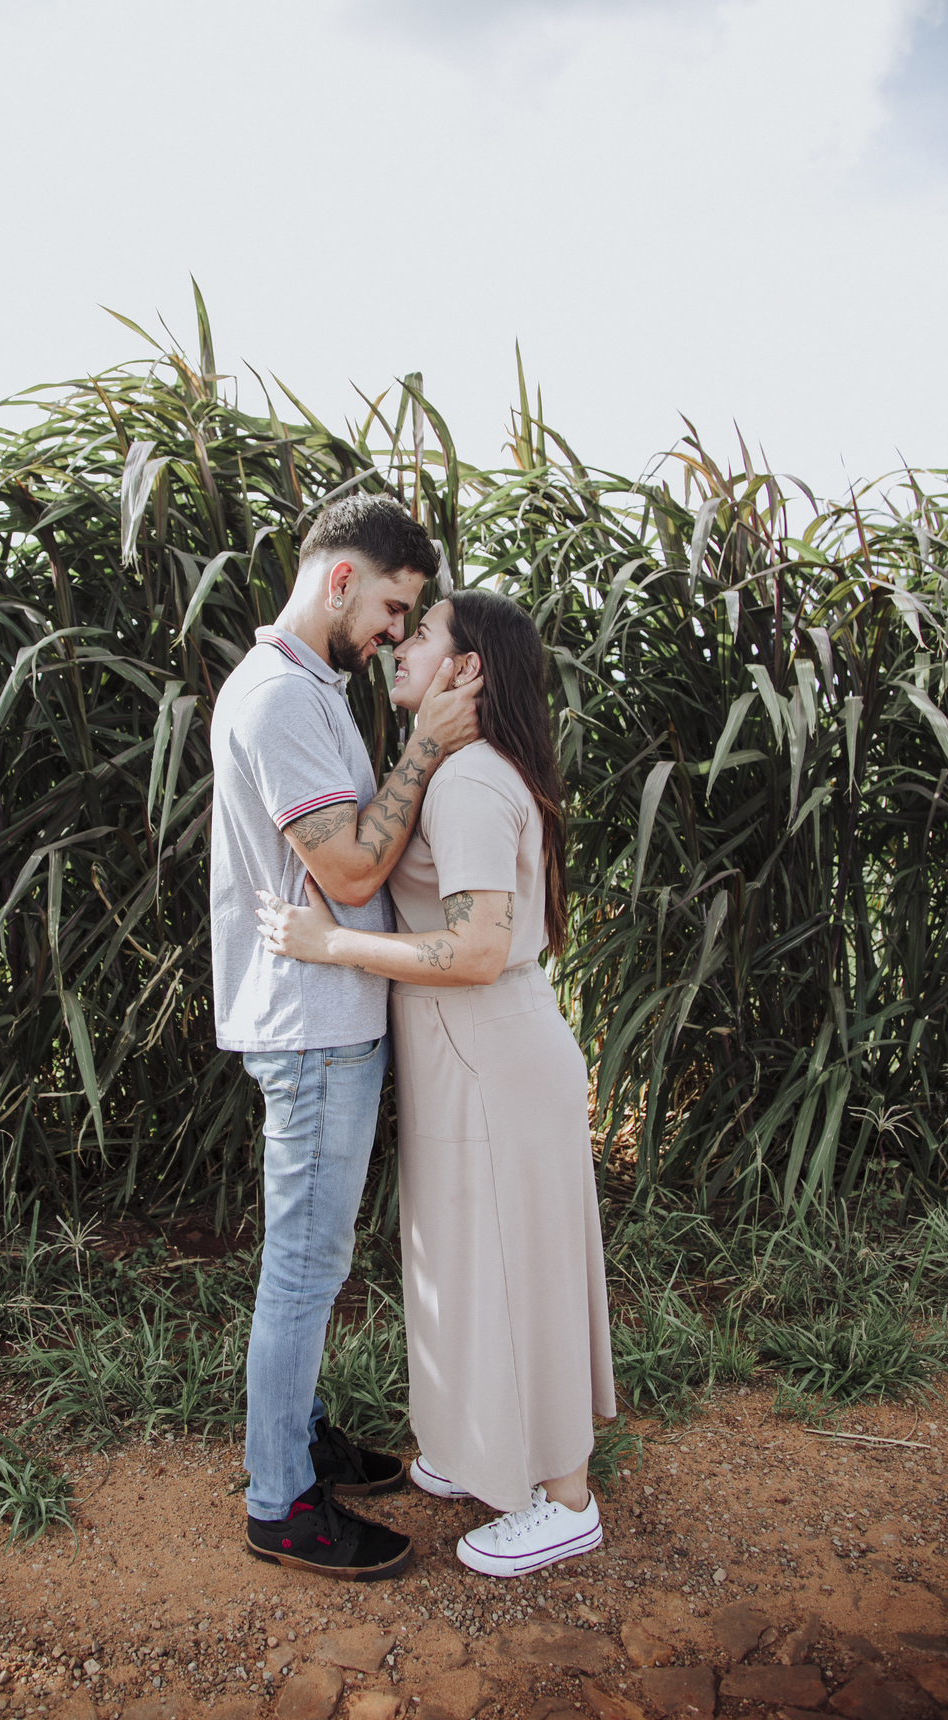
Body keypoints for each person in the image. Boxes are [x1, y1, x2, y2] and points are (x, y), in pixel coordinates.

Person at [257, 588, 616, 1579]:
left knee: (516, 1269)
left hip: (492, 1055)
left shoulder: (469, 785)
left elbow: (477, 950)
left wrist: (331, 944)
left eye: (422, 635)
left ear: (469, 669)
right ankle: (481, 1446)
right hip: (473, 1055)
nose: (400, 647)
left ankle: (567, 1499)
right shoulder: (459, 771)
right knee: (465, 1263)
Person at [209, 493, 482, 1582]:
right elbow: (355, 870)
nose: (394, 633)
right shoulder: (278, 698)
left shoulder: (309, 686)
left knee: (315, 1258)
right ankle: (279, 1500)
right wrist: (426, 745)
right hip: (312, 1028)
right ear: (340, 581)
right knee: (305, 1265)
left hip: (327, 1019)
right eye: (392, 608)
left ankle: (304, 1435)